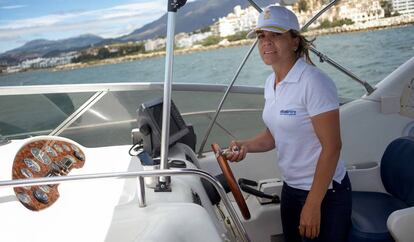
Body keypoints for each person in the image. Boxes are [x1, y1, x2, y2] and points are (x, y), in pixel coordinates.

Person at [225, 5, 352, 242]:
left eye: (276, 35)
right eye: (262, 36)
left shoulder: (313, 81)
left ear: (295, 41)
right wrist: (245, 146)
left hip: (324, 192)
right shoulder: (270, 83)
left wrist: (313, 205)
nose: (266, 42)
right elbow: (274, 135)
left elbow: (332, 147)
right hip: (291, 188)